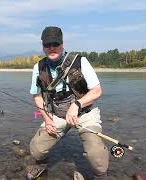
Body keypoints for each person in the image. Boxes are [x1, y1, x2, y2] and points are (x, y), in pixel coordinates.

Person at [27, 26, 109, 180]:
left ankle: (100, 176)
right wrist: (47, 119)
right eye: (47, 45)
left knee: (95, 153)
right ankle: (42, 165)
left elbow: (97, 91)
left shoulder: (80, 61)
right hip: (57, 114)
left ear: (62, 44)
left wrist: (77, 105)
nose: (52, 48)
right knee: (37, 148)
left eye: (55, 44)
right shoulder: (38, 67)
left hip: (85, 113)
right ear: (43, 46)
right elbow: (37, 96)